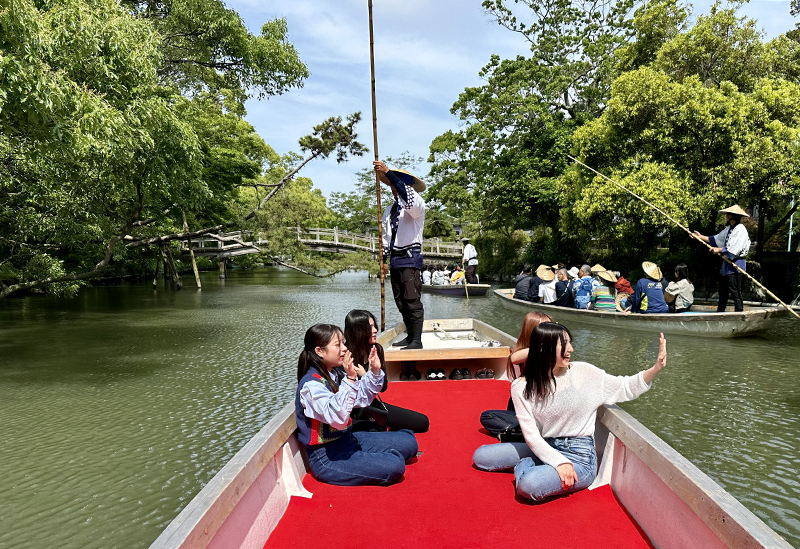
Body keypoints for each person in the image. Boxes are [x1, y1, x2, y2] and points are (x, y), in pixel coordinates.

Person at [473, 322, 667, 502]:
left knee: (529, 485)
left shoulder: (585, 373)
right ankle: (541, 464)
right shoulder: (521, 387)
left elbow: (625, 386)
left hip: (580, 457)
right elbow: (531, 436)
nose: (571, 349)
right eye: (563, 344)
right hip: (544, 445)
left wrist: (656, 368)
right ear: (543, 349)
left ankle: (526, 466)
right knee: (481, 457)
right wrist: (557, 461)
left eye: (570, 343)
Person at [295, 323, 419, 486]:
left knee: (409, 442)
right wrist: (351, 379)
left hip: (348, 439)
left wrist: (374, 371)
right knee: (394, 466)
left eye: (343, 343)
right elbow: (338, 418)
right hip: (328, 456)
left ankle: (372, 458)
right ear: (319, 351)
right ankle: (377, 459)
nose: (345, 349)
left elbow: (361, 397)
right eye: (338, 345)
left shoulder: (334, 373)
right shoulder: (311, 386)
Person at [344, 310, 429, 432]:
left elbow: (383, 387)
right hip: (351, 411)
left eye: (374, 326)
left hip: (372, 405)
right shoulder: (344, 355)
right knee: (377, 430)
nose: (375, 330)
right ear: (358, 331)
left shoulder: (376, 349)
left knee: (422, 422)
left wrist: (370, 373)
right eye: (370, 327)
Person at [375, 160, 426, 349]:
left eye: (397, 185)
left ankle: (417, 340)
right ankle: (410, 335)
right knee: (400, 301)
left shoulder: (416, 206)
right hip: (396, 259)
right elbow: (386, 237)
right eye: (392, 187)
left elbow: (408, 197)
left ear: (408, 186)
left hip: (410, 257)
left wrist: (388, 172)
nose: (395, 189)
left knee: (412, 300)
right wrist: (383, 260)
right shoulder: (390, 210)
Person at [479, 312, 552, 441]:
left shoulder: (554, 351)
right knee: (487, 416)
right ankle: (521, 434)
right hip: (524, 408)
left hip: (542, 410)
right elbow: (514, 358)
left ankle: (515, 434)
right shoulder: (527, 352)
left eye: (550, 327)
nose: (549, 331)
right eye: (544, 327)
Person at [692, 205, 751, 312]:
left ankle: (739, 311)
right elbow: (715, 239)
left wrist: (719, 250)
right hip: (726, 265)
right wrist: (700, 237)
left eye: (727, 215)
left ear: (731, 216)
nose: (726, 217)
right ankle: (720, 312)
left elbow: (734, 249)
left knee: (735, 291)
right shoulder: (729, 229)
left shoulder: (740, 229)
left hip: (736, 265)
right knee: (722, 291)